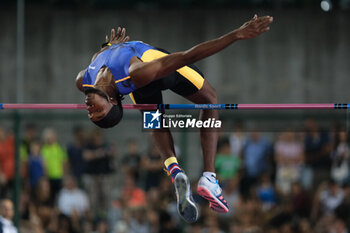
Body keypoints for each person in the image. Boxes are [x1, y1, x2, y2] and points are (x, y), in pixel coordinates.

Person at [75, 15, 273, 222]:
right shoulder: (135, 72)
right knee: (210, 99)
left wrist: (108, 46)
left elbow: (102, 56)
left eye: (91, 114)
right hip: (155, 71)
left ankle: (174, 170)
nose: (90, 110)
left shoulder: (83, 80)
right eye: (98, 112)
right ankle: (209, 177)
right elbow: (188, 56)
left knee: (152, 117)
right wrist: (236, 34)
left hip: (139, 79)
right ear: (112, 102)